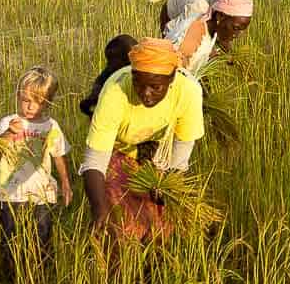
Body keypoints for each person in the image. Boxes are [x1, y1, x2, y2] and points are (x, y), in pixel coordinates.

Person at [79, 38, 204, 241]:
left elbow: (179, 159)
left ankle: (150, 269)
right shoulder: (115, 91)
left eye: (155, 87)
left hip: (157, 153)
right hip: (118, 151)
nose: (146, 94)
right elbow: (94, 162)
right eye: (139, 83)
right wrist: (99, 210)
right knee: (120, 226)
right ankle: (119, 270)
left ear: (171, 79)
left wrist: (166, 187)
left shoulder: (188, 92)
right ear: (132, 74)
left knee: (160, 228)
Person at [0, 66, 72, 273]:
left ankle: (39, 274)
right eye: (25, 99)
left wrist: (65, 182)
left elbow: (58, 154)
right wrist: (10, 132)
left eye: (37, 102)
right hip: (9, 192)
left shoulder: (51, 126)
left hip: (41, 193)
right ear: (18, 95)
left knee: (42, 236)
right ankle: (12, 276)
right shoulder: (9, 122)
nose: (29, 107)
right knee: (10, 238)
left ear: (48, 101)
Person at [162, 0, 254, 75]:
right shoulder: (197, 9)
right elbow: (170, 34)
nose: (238, 35)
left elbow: (223, 39)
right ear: (220, 16)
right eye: (236, 28)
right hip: (172, 8)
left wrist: (232, 56)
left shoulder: (223, 7)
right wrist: (208, 52)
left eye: (241, 30)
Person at [79, 34, 139, 117]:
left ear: (125, 58)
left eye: (111, 59)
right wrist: (91, 100)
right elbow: (98, 86)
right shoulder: (111, 70)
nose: (108, 63)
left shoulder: (143, 73)